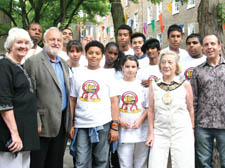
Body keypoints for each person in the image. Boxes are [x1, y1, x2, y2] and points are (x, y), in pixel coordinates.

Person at [24, 27, 72, 168]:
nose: (56, 42)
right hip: (42, 124)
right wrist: (36, 120)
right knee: (38, 163)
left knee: (56, 163)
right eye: (52, 39)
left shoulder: (64, 63)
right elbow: (29, 95)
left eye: (59, 40)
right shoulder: (33, 62)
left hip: (61, 123)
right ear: (44, 41)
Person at [70, 40, 119, 168]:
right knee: (81, 161)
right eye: (90, 53)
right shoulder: (77, 73)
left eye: (97, 53)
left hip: (103, 124)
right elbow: (72, 100)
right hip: (81, 125)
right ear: (85, 55)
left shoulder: (108, 75)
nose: (93, 56)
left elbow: (114, 102)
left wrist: (115, 126)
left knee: (102, 161)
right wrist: (70, 124)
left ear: (102, 56)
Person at [146, 51, 195, 168]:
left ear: (176, 66)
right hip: (160, 132)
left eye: (170, 62)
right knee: (156, 164)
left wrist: (191, 131)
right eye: (163, 62)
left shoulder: (185, 84)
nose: (166, 65)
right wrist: (151, 133)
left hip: (182, 132)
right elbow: (151, 111)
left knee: (183, 164)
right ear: (160, 66)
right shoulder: (154, 85)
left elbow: (191, 109)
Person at [0, 27, 39, 168]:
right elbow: (4, 103)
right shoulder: (4, 66)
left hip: (25, 132)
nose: (23, 46)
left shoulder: (20, 66)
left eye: (26, 43)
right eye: (19, 43)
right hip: (11, 135)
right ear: (10, 45)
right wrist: (14, 134)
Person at [190, 34, 225, 167]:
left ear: (219, 46)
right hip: (203, 125)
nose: (209, 47)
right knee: (203, 163)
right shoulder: (198, 71)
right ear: (203, 48)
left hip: (224, 123)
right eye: (206, 45)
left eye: (212, 44)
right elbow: (194, 99)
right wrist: (193, 124)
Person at [117, 56, 149, 168]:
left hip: (141, 131)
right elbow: (113, 106)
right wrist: (119, 120)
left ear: (137, 68)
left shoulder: (143, 86)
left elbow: (148, 107)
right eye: (127, 66)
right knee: (125, 163)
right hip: (124, 132)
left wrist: (140, 120)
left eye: (133, 67)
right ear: (122, 67)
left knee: (141, 163)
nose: (130, 69)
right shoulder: (117, 84)